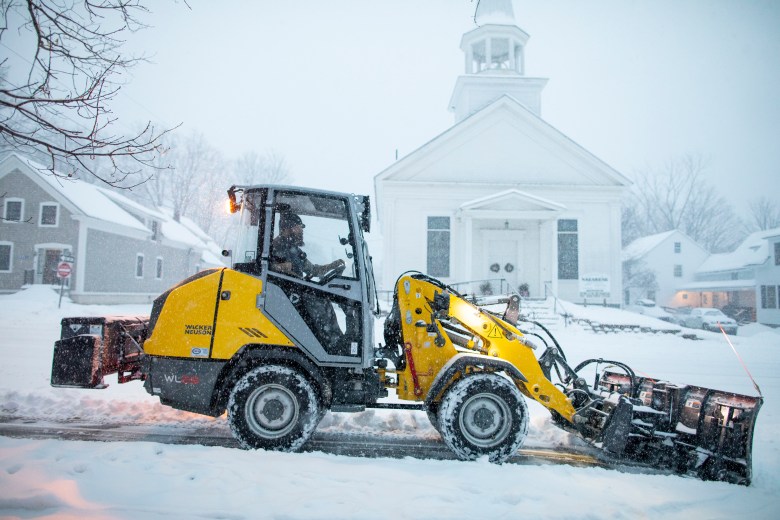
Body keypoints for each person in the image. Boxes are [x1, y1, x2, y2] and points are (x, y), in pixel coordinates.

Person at [270, 212, 345, 279]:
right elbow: (268, 270)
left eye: (301, 227)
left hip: (295, 289)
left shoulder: (296, 252)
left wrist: (332, 266)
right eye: (298, 227)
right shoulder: (273, 247)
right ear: (286, 228)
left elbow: (314, 270)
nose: (302, 230)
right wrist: (278, 267)